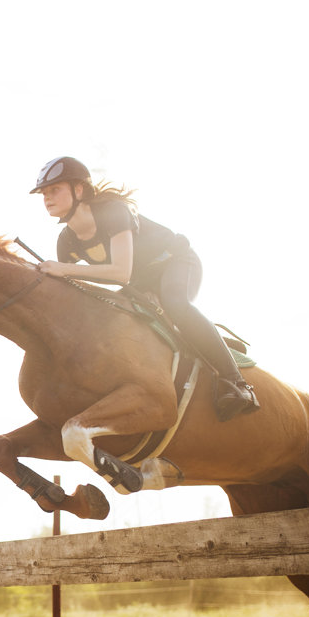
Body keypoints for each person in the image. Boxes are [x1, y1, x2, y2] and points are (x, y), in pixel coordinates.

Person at [30, 156, 259, 421]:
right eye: (44, 193)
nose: (47, 198)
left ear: (78, 189)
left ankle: (239, 384)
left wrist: (65, 268)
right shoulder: (67, 241)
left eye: (54, 190)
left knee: (175, 303)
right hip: (141, 282)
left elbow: (120, 273)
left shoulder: (112, 212)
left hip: (175, 262)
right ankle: (197, 342)